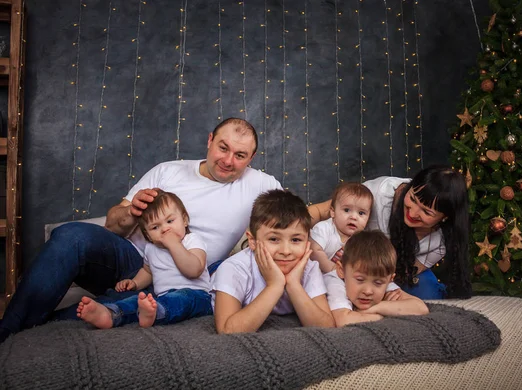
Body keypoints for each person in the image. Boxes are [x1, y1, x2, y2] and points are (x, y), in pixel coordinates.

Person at [0, 118, 281, 343]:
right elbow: (112, 225)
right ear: (209, 141)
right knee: (72, 235)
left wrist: (326, 221)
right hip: (134, 261)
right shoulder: (168, 171)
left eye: (240, 155)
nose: (228, 160)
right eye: (223, 147)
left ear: (251, 158)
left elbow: (298, 216)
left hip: (180, 279)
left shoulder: (258, 184)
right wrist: (132, 211)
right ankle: (6, 334)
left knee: (93, 312)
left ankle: (36, 331)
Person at [309, 165, 471, 299]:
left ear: (444, 218)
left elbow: (407, 272)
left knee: (426, 294)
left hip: (391, 272)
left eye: (426, 212)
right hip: (349, 267)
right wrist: (291, 229)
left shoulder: (443, 240)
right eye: (413, 199)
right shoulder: (380, 193)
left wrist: (383, 287)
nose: (413, 213)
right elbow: (322, 210)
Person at [77, 190, 213, 329]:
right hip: (161, 297)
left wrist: (174, 244)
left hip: (197, 295)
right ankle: (111, 314)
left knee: (182, 298)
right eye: (155, 227)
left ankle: (156, 313)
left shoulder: (191, 240)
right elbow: (148, 271)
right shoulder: (151, 248)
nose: (165, 229)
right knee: (137, 299)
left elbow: (194, 270)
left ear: (184, 220)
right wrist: (134, 283)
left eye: (170, 221)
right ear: (148, 235)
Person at [212, 189, 335, 334]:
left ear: (307, 241)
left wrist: (293, 284)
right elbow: (227, 331)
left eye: (296, 240)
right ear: (253, 241)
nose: (286, 251)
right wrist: (275, 285)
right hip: (216, 270)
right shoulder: (232, 269)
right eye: (274, 239)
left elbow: (326, 327)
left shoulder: (309, 267)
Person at [325, 230, 429, 326]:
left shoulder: (381, 278)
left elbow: (421, 308)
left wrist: (377, 308)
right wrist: (385, 316)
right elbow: (344, 321)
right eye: (360, 280)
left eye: (378, 283)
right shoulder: (334, 282)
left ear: (390, 279)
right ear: (341, 270)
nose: (368, 291)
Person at [309, 182, 373, 273]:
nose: (354, 217)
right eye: (347, 210)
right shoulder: (324, 228)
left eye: (361, 213)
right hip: (317, 274)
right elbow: (314, 252)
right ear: (333, 212)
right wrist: (333, 270)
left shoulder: (363, 241)